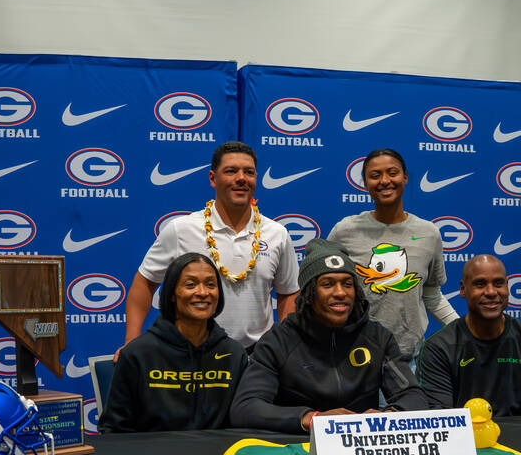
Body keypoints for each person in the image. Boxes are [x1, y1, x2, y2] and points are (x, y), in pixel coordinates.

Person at [230, 240, 427, 434]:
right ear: (309, 293)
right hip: (298, 447)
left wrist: (390, 416)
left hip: (360, 446)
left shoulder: (378, 338)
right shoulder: (279, 341)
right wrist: (312, 419)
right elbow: (246, 408)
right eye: (327, 284)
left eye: (347, 284)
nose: (340, 292)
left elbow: (412, 396)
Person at [123, 141, 298, 352]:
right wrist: (131, 342)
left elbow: (289, 292)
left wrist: (287, 345)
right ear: (213, 179)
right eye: (231, 171)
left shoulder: (277, 234)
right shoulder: (181, 229)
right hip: (192, 354)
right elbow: (144, 282)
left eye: (249, 172)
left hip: (256, 356)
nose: (241, 178)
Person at [328, 148, 457, 362]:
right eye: (375, 175)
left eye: (392, 173)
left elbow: (431, 294)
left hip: (410, 359)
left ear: (405, 177)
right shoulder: (344, 231)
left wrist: (463, 330)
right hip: (354, 358)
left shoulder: (429, 233)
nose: (385, 181)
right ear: (365, 184)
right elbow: (321, 288)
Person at [100, 253, 247, 432]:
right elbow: (113, 428)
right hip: (153, 449)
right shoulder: (138, 353)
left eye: (210, 284)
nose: (202, 292)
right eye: (190, 285)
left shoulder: (233, 354)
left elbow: (244, 422)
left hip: (218, 449)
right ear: (172, 294)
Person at [418, 254, 521, 416]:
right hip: (465, 433)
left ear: (507, 287)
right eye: (480, 284)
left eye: (498, 283)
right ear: (463, 289)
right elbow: (439, 418)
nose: (491, 292)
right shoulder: (439, 348)